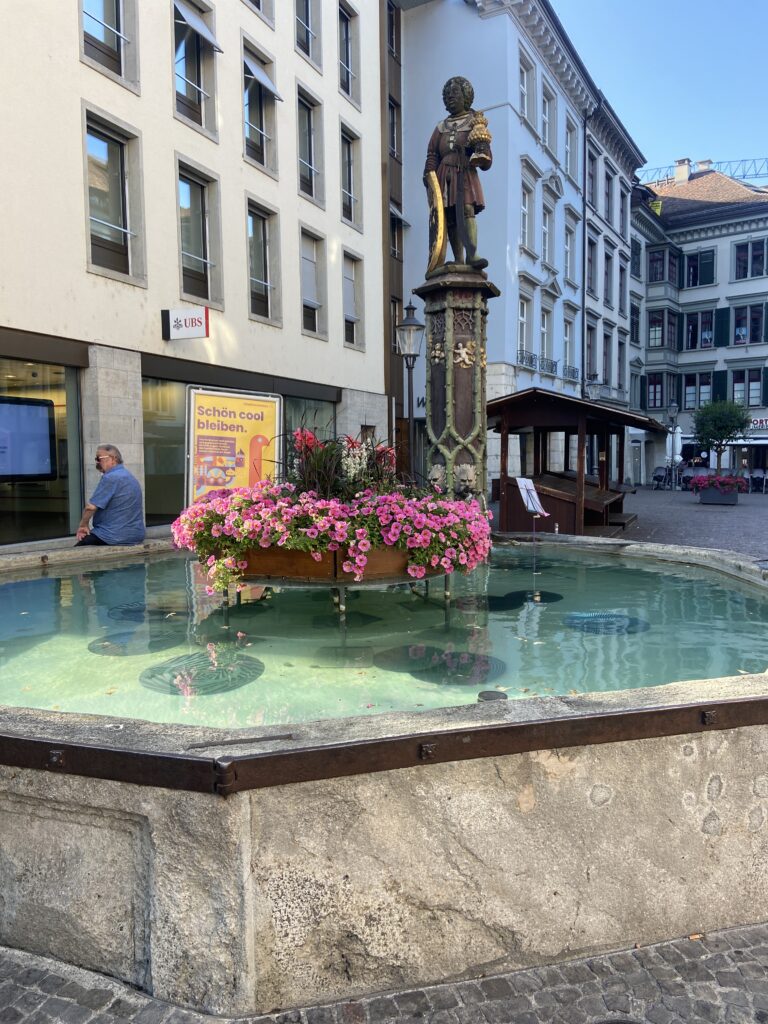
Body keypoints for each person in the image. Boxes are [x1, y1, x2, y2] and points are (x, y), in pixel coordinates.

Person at [424, 76, 492, 270]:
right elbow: (432, 153)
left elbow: (484, 150)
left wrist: (482, 153)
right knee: (449, 216)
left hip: (464, 172)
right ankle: (458, 258)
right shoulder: (440, 127)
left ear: (466, 95)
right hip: (443, 174)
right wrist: (429, 174)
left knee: (467, 210)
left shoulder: (475, 122)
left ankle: (472, 254)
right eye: (447, 94)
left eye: (455, 92)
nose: (450, 97)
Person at [75, 444, 145, 546]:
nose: (97, 462)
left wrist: (83, 525)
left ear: (113, 459)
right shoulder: (129, 476)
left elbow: (90, 508)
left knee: (77, 550)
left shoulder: (111, 478)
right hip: (136, 535)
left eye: (99, 458)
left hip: (112, 536)